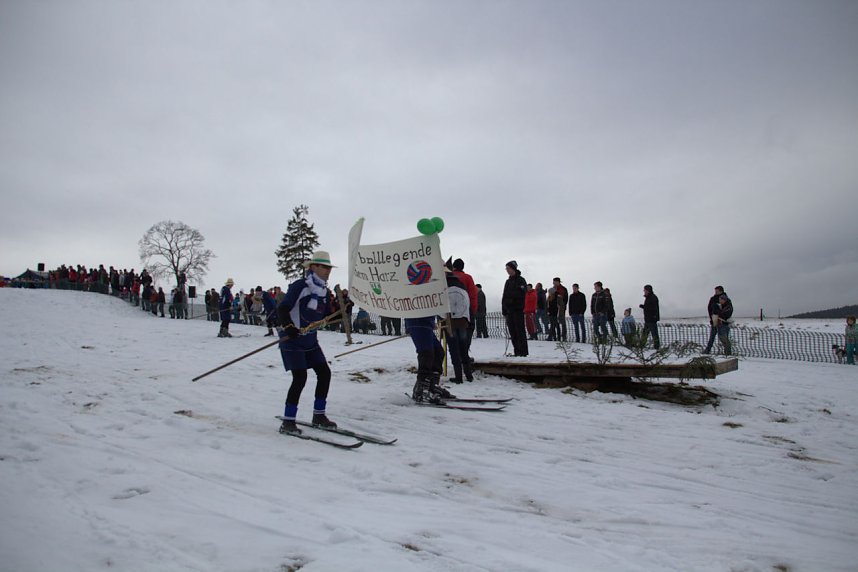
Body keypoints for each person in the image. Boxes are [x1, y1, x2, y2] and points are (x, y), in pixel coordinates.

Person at [276, 251, 338, 434]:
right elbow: (283, 308)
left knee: (324, 373)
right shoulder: (300, 286)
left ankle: (319, 415)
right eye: (324, 267)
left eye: (329, 268)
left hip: (310, 340)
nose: (328, 271)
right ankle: (288, 421)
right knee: (300, 377)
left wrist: (343, 309)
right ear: (313, 267)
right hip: (292, 340)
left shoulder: (324, 291)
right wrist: (288, 326)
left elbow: (326, 314)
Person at [444, 269, 473, 383]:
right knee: (463, 348)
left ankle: (458, 376)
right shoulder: (462, 286)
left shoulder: (445, 287)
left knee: (453, 348)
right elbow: (467, 303)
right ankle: (469, 375)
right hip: (462, 321)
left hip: (450, 322)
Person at [502, 261, 528, 357]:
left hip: (518, 309)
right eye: (506, 269)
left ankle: (523, 352)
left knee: (519, 331)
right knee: (512, 332)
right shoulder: (508, 282)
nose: (507, 270)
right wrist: (504, 308)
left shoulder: (521, 280)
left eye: (508, 268)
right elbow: (504, 295)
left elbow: (522, 294)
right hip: (509, 310)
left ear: (513, 269)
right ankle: (517, 350)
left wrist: (512, 299)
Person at [703, 286, 726, 354]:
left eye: (717, 291)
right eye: (715, 291)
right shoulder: (713, 299)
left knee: (723, 337)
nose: (715, 292)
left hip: (722, 321)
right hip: (714, 319)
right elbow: (709, 309)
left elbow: (727, 309)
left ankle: (727, 351)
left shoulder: (725, 299)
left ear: (721, 291)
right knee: (712, 336)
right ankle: (707, 350)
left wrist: (722, 318)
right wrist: (712, 318)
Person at [639, 284, 660, 349]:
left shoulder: (653, 297)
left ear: (648, 290)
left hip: (651, 319)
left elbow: (653, 308)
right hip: (648, 319)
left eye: (645, 290)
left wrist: (644, 307)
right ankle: (642, 345)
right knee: (645, 333)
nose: (644, 291)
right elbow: (649, 307)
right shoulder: (648, 297)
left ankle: (656, 346)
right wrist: (644, 307)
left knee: (654, 334)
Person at [553, 277, 568, 341]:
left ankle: (564, 335)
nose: (554, 283)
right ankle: (557, 335)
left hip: (561, 308)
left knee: (562, 321)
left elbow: (566, 299)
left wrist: (562, 306)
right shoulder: (553, 289)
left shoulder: (563, 289)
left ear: (558, 282)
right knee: (555, 322)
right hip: (554, 308)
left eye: (554, 282)